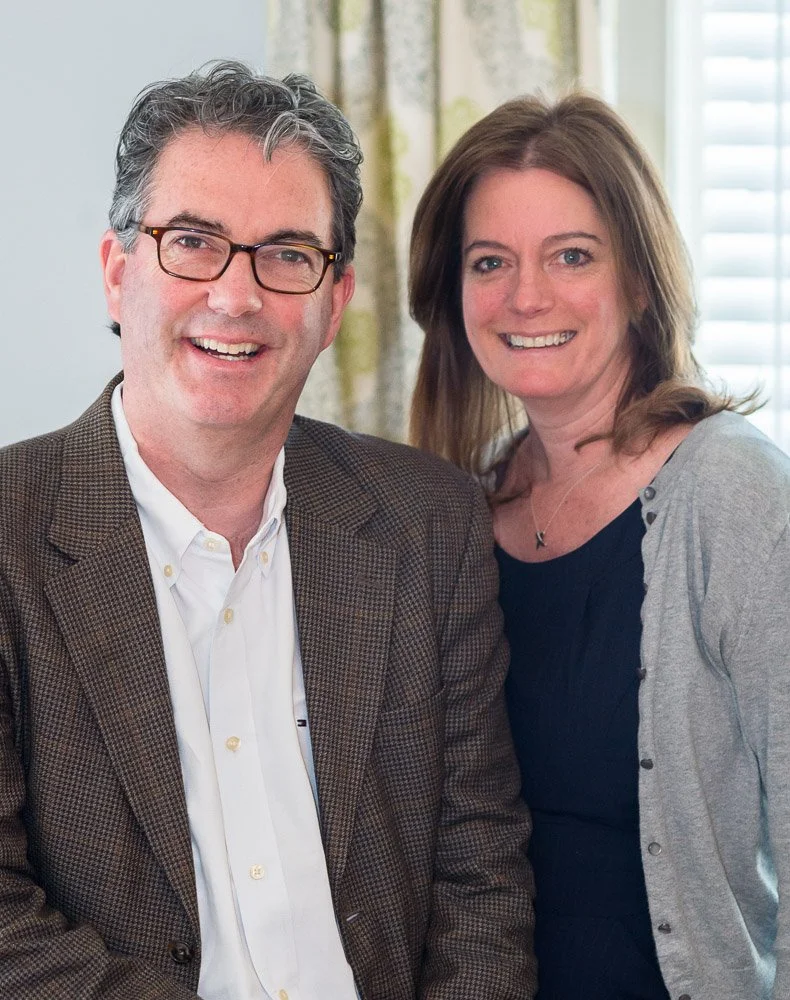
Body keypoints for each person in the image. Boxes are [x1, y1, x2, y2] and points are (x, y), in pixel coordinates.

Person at [0, 62, 536, 1000]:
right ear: (119, 271)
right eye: (194, 243)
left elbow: (479, 869)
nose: (237, 296)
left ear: (334, 303)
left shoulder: (428, 523)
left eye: (288, 254)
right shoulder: (10, 533)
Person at [409, 91, 790, 1000]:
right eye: (489, 261)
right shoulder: (458, 517)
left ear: (642, 280)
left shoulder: (730, 491)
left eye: (571, 256)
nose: (525, 296)